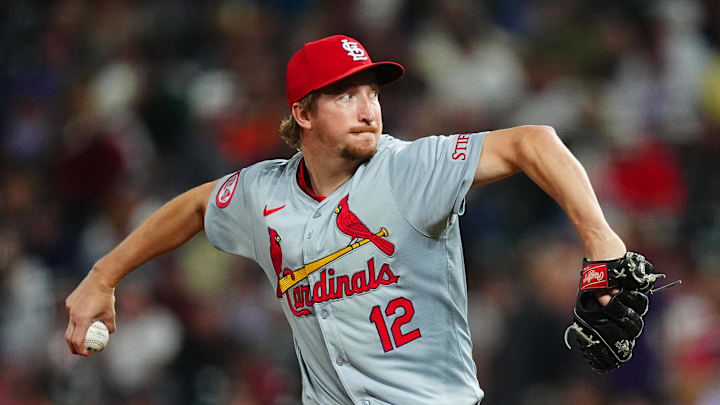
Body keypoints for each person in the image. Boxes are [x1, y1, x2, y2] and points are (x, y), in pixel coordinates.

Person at [66, 35, 628, 404]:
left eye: (372, 93)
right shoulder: (263, 193)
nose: (369, 109)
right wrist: (103, 276)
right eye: (345, 95)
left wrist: (601, 241)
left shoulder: (409, 168)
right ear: (302, 113)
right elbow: (192, 207)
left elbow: (534, 141)